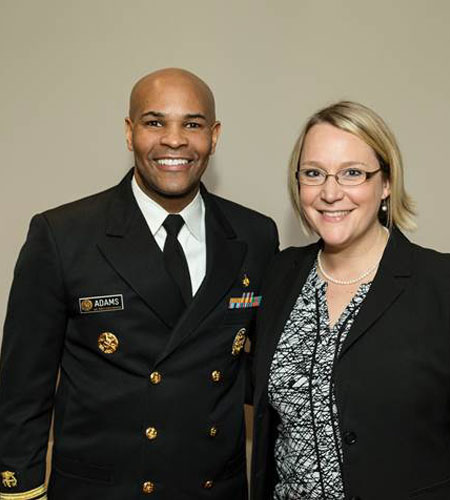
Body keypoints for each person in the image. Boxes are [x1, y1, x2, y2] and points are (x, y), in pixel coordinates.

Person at [0, 68, 278, 500]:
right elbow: (22, 389)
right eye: (155, 123)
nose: (174, 140)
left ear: (214, 135)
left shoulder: (255, 235)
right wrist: (20, 491)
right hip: (103, 490)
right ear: (130, 133)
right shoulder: (64, 235)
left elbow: (265, 375)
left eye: (192, 124)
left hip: (212, 488)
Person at [250, 101, 450, 500]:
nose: (331, 193)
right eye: (314, 173)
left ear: (385, 183)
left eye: (352, 173)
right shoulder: (279, 275)